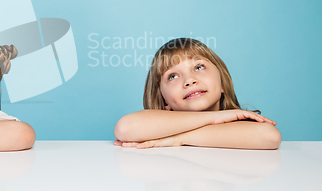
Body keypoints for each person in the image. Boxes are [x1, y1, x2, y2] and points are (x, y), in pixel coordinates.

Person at [114, 38, 281, 149]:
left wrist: (179, 138)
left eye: (199, 67)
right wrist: (213, 118)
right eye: (172, 76)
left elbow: (270, 136)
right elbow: (125, 127)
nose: (189, 80)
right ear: (163, 100)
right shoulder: (152, 125)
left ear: (222, 82)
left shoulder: (241, 125)